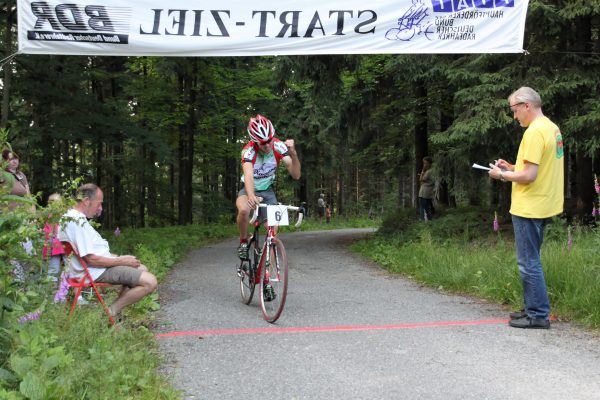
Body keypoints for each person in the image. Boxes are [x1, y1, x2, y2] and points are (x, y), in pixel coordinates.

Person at [489, 86, 564, 329]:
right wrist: (511, 167)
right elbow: (538, 169)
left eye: (515, 110)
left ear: (527, 105)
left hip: (529, 206)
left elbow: (530, 176)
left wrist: (501, 175)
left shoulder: (533, 133)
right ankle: (532, 308)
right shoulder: (552, 128)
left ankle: (538, 315)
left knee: (528, 262)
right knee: (532, 259)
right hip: (544, 202)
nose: (514, 116)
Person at [59, 183, 157, 319]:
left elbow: (93, 253)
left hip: (92, 268)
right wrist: (122, 260)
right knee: (150, 281)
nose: (100, 209)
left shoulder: (71, 217)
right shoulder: (77, 222)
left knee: (141, 267)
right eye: (99, 204)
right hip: (94, 271)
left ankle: (115, 313)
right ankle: (110, 313)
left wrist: (122, 258)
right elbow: (91, 259)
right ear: (86, 201)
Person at [236, 114, 301, 260]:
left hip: (268, 191)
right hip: (248, 188)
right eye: (263, 143)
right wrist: (251, 195)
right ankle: (243, 242)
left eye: (269, 140)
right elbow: (248, 175)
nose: (267, 145)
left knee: (272, 233)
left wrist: (294, 154)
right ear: (254, 142)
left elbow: (296, 175)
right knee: (244, 210)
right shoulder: (248, 151)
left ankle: (268, 280)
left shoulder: (278, 146)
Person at [42, 193, 65, 282]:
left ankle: (65, 289)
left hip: (60, 245)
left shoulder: (63, 215)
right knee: (53, 270)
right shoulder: (49, 216)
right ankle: (52, 291)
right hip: (56, 245)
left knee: (57, 270)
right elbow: (47, 231)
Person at [418, 156, 434, 221]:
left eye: (426, 163)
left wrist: (422, 171)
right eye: (424, 163)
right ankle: (428, 220)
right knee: (426, 207)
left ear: (430, 164)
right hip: (426, 192)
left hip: (425, 192)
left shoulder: (429, 171)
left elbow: (421, 179)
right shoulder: (430, 171)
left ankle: (424, 221)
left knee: (424, 207)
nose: (424, 165)